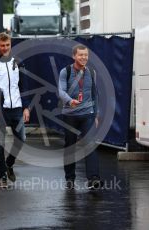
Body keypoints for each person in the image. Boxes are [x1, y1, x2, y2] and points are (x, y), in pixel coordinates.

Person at [58, 44, 103, 190]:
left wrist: (96, 114)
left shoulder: (91, 72)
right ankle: (70, 178)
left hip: (87, 114)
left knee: (90, 145)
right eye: (80, 55)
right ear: (74, 56)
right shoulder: (66, 71)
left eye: (86, 55)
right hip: (70, 115)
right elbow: (61, 91)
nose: (83, 58)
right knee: (70, 146)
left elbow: (95, 94)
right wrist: (69, 101)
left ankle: (93, 179)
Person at [0, 32, 30, 187]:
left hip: (17, 107)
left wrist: (26, 107)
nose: (5, 48)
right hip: (0, 109)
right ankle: (2, 177)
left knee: (21, 139)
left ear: (10, 45)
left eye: (7, 45)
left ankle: (9, 163)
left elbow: (24, 86)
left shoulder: (18, 62)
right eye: (2, 45)